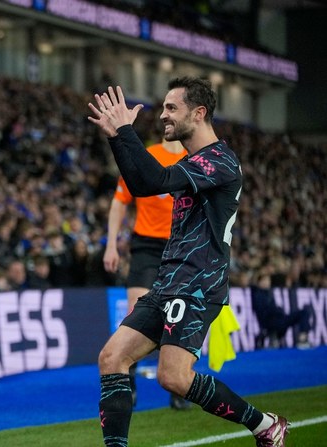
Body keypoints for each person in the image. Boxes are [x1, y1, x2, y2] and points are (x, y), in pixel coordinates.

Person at [88, 77, 289, 446]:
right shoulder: (193, 161)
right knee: (112, 358)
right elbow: (141, 186)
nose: (163, 115)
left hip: (197, 284)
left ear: (198, 113)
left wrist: (126, 132)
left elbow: (155, 179)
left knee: (174, 378)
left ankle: (264, 424)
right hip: (169, 280)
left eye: (171, 108)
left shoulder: (219, 160)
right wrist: (117, 137)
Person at [102, 138, 190, 410]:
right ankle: (127, 382)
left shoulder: (193, 158)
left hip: (181, 245)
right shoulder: (147, 156)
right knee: (135, 311)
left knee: (178, 316)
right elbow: (119, 201)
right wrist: (111, 244)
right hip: (146, 245)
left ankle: (178, 384)